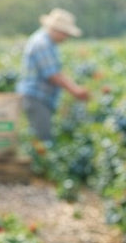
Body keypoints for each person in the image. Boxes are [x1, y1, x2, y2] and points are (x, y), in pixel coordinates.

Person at [16, 8, 90, 143]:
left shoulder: (48, 43)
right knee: (43, 140)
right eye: (65, 34)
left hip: (40, 98)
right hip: (35, 97)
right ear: (57, 30)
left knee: (41, 137)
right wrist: (75, 90)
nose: (66, 38)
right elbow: (53, 75)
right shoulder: (42, 44)